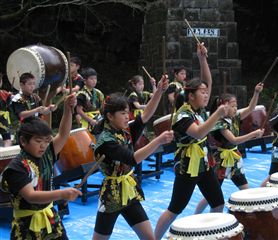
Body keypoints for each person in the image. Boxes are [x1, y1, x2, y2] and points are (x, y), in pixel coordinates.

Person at [154, 43, 230, 240]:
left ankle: (213, 235)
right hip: (187, 167)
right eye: (202, 92)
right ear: (190, 96)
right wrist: (218, 114)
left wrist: (202, 57)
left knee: (218, 203)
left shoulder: (199, 110)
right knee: (175, 209)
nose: (206, 94)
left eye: (206, 92)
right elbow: (198, 133)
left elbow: (207, 81)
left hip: (203, 164)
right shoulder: (182, 115)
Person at [92, 75, 173, 240]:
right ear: (110, 116)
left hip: (129, 191)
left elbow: (146, 115)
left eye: (128, 112)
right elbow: (133, 159)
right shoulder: (106, 140)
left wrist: (159, 91)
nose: (127, 117)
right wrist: (158, 140)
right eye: (123, 113)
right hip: (112, 195)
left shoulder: (124, 130)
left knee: (149, 238)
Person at [0, 94, 82, 240]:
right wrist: (62, 194)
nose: (43, 145)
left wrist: (68, 110)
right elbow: (31, 196)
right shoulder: (16, 167)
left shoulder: (47, 154)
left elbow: (63, 134)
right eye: (38, 141)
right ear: (23, 141)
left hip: (50, 218)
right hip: (26, 227)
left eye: (46, 141)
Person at [194, 83, 265, 214]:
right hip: (221, 161)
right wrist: (254, 134)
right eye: (232, 106)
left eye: (236, 106)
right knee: (211, 196)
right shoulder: (220, 123)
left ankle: (251, 217)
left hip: (234, 159)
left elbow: (251, 108)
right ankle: (197, 216)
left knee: (246, 190)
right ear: (224, 107)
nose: (235, 109)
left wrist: (256, 92)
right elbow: (234, 140)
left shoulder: (235, 118)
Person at [76, 67, 104, 132]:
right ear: (85, 81)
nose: (94, 81)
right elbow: (79, 110)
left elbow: (102, 108)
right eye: (91, 79)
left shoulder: (98, 93)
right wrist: (90, 120)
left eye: (95, 78)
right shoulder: (81, 94)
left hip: (98, 119)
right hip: (86, 121)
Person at [0, 73, 13, 147]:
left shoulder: (4, 93)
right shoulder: (4, 93)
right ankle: (6, 157)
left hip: (3, 119)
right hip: (3, 119)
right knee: (7, 139)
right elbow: (15, 99)